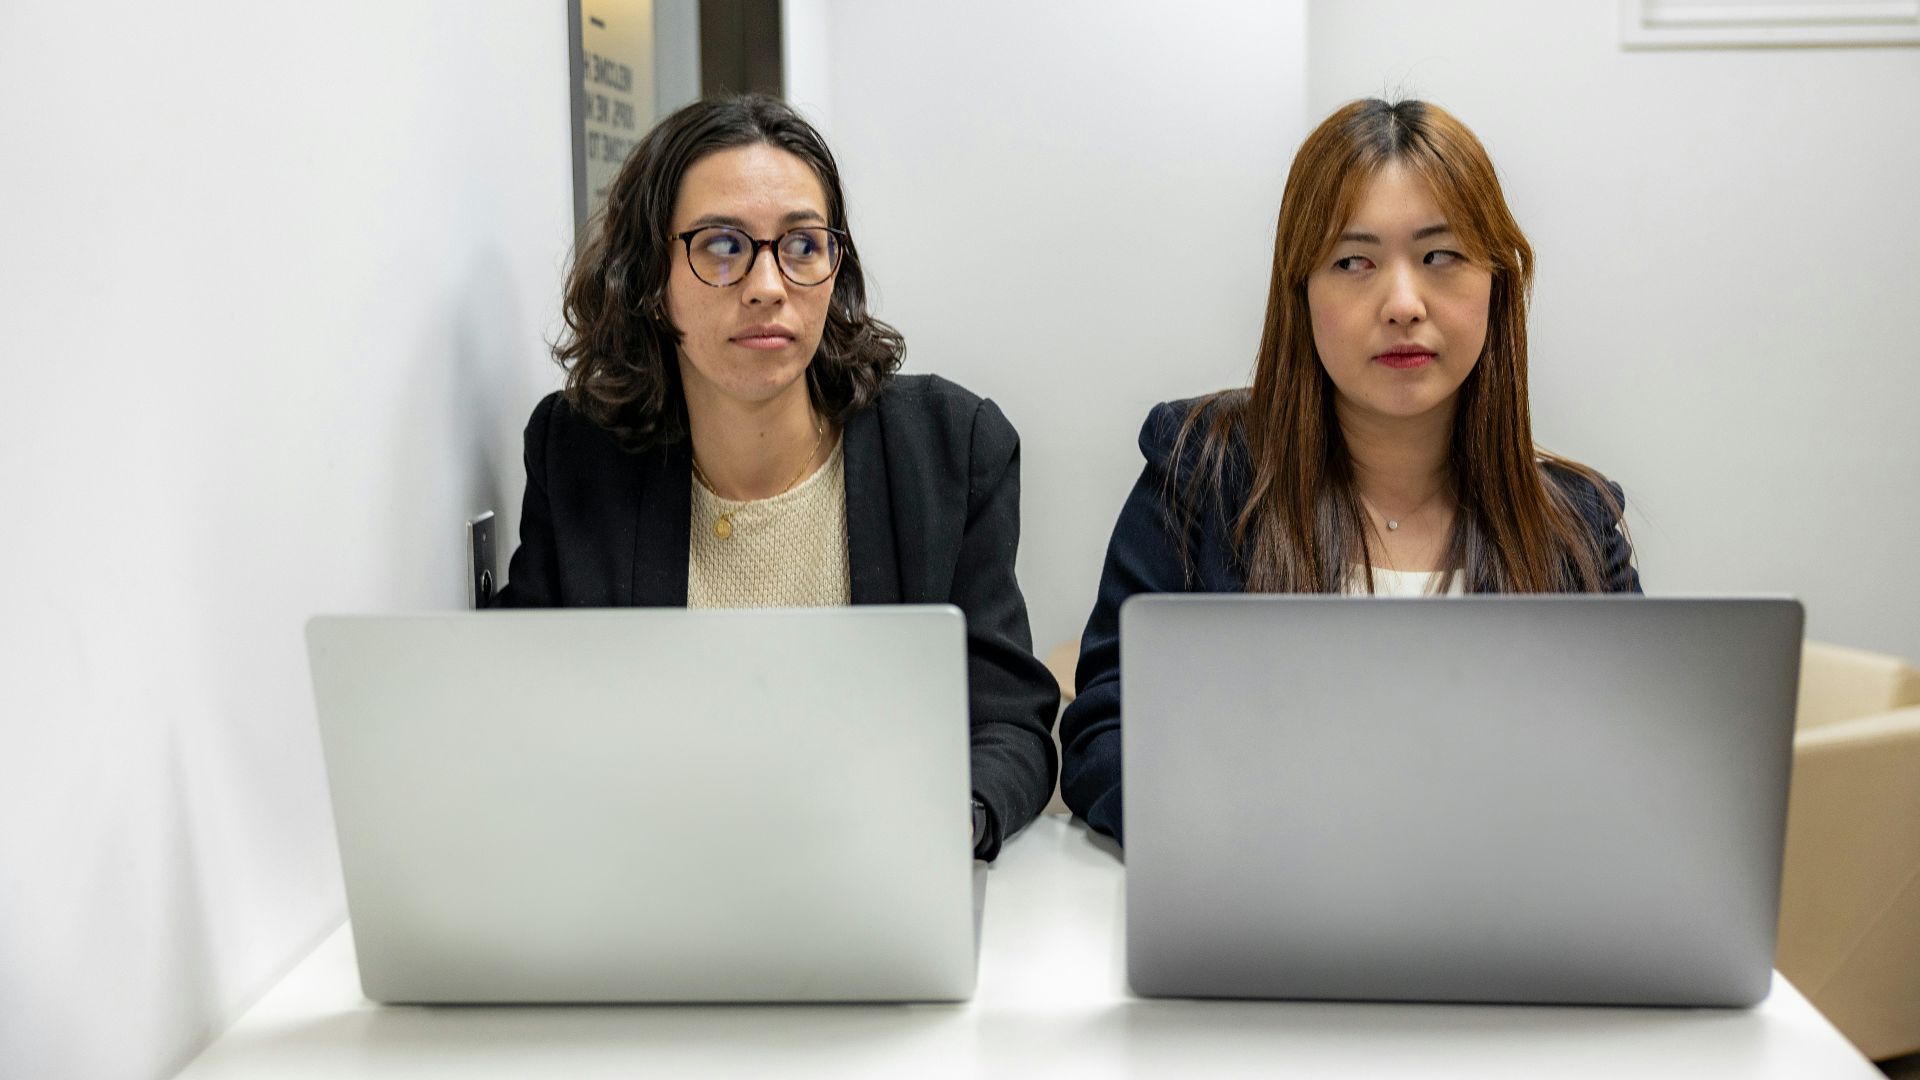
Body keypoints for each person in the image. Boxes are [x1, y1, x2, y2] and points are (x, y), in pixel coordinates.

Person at [1058, 99, 1641, 845]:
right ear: (1301, 290)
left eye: (1441, 257)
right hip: (1262, 913)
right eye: (1353, 262)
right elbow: (1108, 729)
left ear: (1497, 282)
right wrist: (1239, 838)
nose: (1402, 304)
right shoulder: (1202, 469)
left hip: (1500, 931)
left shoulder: (1577, 526)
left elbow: (1635, 771)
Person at [491, 95, 1057, 860]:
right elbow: (517, 711)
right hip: (651, 884)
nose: (767, 284)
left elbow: (1007, 721)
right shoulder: (578, 453)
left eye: (801, 245)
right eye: (722, 246)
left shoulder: (950, 450)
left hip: (875, 886)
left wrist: (951, 822)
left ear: (835, 266)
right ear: (650, 280)